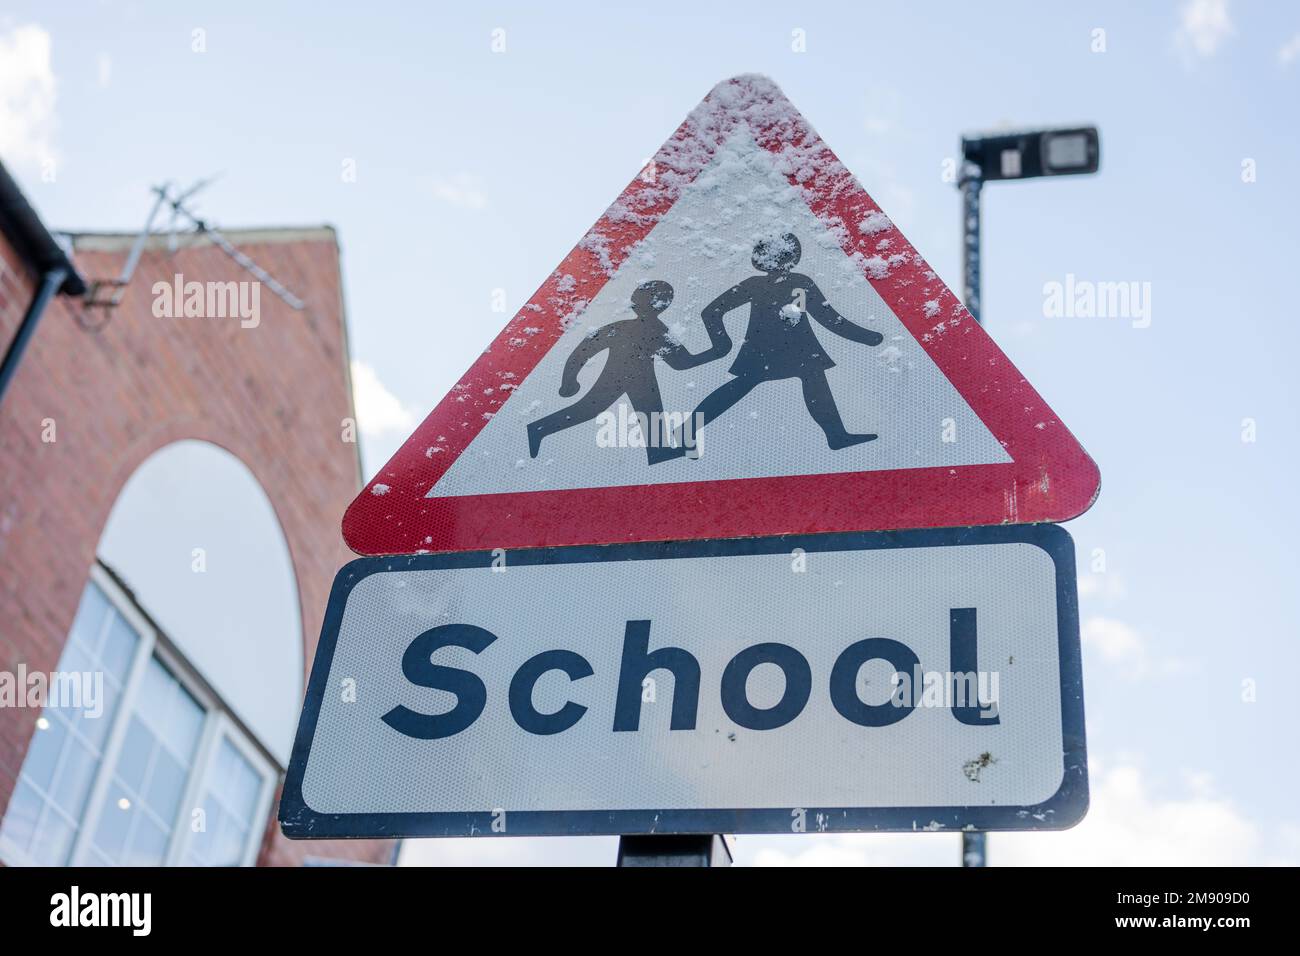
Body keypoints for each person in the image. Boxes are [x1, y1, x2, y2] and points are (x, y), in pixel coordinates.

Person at [658, 232, 883, 461]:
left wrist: (865, 337)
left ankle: (836, 435)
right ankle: (836, 435)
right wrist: (721, 343)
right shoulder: (772, 284)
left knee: (811, 378)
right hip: (769, 349)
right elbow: (712, 311)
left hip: (793, 348)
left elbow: (827, 317)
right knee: (757, 384)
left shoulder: (794, 283)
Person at [527, 279, 725, 464]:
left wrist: (569, 380)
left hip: (642, 378)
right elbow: (585, 350)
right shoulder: (648, 329)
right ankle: (538, 428)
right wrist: (715, 352)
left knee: (649, 411)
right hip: (619, 376)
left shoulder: (635, 327)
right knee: (590, 409)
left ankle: (660, 451)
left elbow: (583, 350)